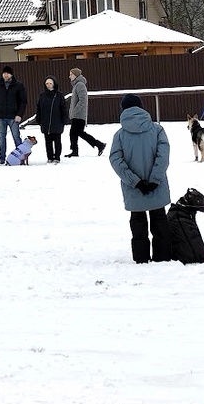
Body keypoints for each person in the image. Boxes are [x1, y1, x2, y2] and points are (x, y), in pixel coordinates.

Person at [108, 94, 172, 263]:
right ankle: (163, 257)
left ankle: (141, 258)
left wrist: (134, 181)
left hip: (133, 188)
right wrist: (155, 179)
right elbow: (163, 156)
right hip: (157, 187)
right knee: (159, 220)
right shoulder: (157, 129)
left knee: (137, 223)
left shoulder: (119, 135)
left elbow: (116, 160)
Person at [0, 65, 27, 166]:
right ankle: (1, 158)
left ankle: (21, 157)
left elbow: (23, 101)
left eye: (7, 73)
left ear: (11, 74)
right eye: (4, 73)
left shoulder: (18, 85)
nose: (6, 75)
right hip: (0, 116)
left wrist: (19, 114)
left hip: (13, 116)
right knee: (2, 138)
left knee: (16, 137)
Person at [64, 68, 106, 158]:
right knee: (76, 133)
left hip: (79, 115)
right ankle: (97, 145)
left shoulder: (80, 85)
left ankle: (99, 145)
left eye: (71, 74)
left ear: (76, 75)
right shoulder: (77, 85)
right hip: (77, 115)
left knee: (77, 132)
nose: (69, 76)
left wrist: (75, 111)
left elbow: (83, 100)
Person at [35, 75, 69, 163]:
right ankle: (49, 157)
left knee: (57, 141)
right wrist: (38, 119)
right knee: (48, 141)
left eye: (50, 83)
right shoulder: (42, 95)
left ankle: (57, 157)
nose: (48, 85)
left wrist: (64, 119)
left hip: (57, 122)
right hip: (45, 122)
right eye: (47, 83)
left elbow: (63, 108)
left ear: (54, 84)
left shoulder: (59, 95)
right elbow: (39, 108)